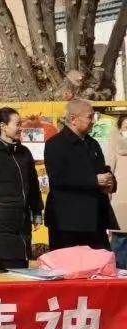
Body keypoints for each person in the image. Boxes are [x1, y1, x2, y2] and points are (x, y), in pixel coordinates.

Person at [0, 107, 43, 271]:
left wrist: (37, 211)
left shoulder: (24, 153)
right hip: (0, 223)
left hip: (22, 223)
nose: (21, 128)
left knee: (21, 269)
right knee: (3, 272)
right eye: (17, 124)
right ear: (3, 126)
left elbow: (33, 184)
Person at [44, 99, 116, 251]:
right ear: (73, 119)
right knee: (68, 264)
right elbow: (58, 178)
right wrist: (94, 181)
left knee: (101, 262)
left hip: (95, 221)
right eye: (90, 117)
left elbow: (102, 169)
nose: (93, 121)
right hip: (67, 223)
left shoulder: (92, 144)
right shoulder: (55, 144)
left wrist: (110, 182)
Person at [108, 114, 127, 269]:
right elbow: (108, 172)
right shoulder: (113, 145)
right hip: (121, 201)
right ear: (120, 129)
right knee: (120, 241)